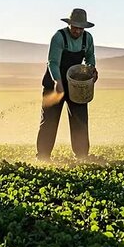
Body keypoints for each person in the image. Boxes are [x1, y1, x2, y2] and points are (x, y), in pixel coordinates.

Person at [36, 8, 98, 161]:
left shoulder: (87, 38)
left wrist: (91, 69)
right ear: (69, 24)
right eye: (75, 27)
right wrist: (58, 82)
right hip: (54, 83)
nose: (77, 30)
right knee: (49, 119)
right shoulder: (59, 37)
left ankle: (82, 155)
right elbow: (53, 62)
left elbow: (90, 57)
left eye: (80, 28)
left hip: (76, 84)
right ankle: (43, 156)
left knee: (80, 118)